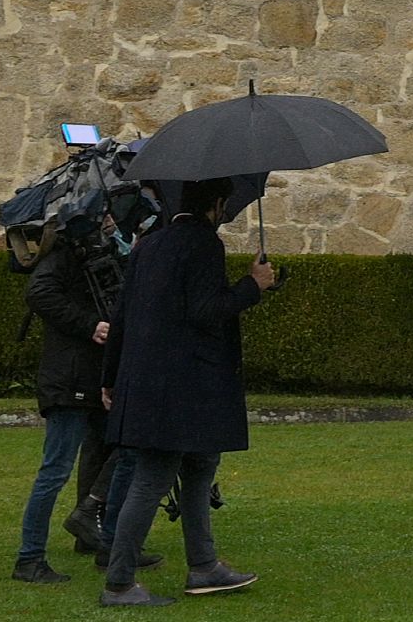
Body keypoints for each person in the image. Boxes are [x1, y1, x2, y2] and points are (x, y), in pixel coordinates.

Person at [99, 174, 279, 606]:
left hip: (153, 383)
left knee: (200, 468)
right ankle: (119, 583)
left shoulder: (150, 245)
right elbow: (205, 311)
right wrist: (253, 286)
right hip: (181, 387)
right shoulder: (202, 244)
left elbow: (122, 315)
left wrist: (110, 378)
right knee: (152, 479)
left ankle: (204, 565)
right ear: (216, 204)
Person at [15, 203, 145, 582]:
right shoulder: (66, 255)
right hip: (68, 379)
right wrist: (91, 324)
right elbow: (38, 293)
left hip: (92, 376)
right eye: (104, 212)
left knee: (117, 451)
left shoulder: (97, 256)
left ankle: (101, 539)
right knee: (55, 469)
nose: (110, 219)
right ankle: (29, 558)